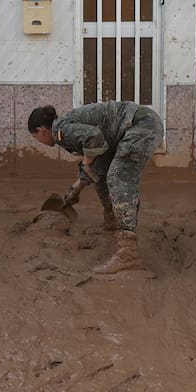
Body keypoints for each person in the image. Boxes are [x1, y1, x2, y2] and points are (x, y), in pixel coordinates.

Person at [27, 101, 163, 275]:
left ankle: (128, 254)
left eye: (35, 137)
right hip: (133, 128)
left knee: (118, 176)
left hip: (141, 125)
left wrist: (86, 162)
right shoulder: (65, 128)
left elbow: (94, 138)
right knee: (102, 176)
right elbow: (96, 164)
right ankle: (112, 224)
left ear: (40, 130)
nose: (39, 141)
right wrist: (75, 189)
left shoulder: (61, 130)